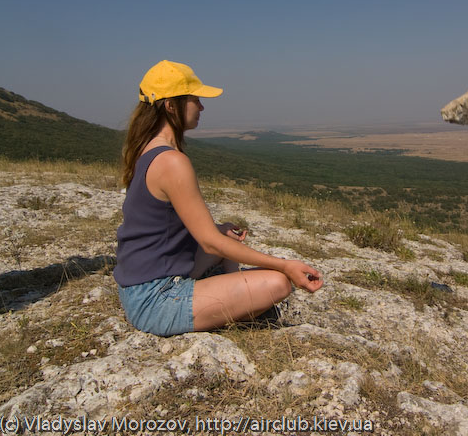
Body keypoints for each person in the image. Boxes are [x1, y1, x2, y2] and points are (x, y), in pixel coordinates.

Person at [114, 59, 323, 336]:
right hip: (156, 299)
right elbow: (209, 243)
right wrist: (284, 265)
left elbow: (179, 231)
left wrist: (219, 232)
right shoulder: (171, 162)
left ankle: (233, 291)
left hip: (139, 286)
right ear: (170, 105)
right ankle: (239, 299)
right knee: (278, 283)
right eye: (195, 99)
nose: (201, 106)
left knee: (225, 236)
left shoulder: (148, 149)